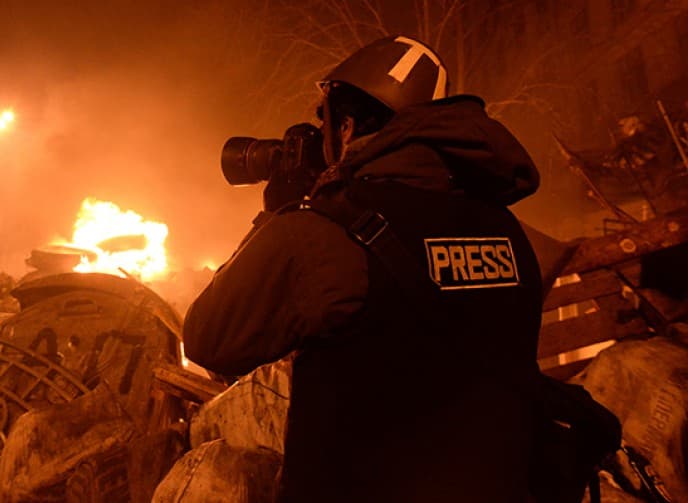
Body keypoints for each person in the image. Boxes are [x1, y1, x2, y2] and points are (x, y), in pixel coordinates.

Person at [183, 36, 543, 502]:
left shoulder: (322, 234)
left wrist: (278, 213)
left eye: (326, 121)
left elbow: (209, 338)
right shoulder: (506, 228)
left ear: (348, 127)